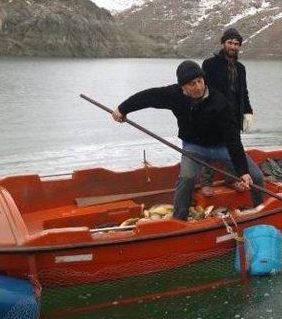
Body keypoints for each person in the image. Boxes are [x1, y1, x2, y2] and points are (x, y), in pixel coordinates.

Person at [112, 60, 264, 220]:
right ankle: (179, 219)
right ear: (182, 86)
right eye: (192, 84)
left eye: (200, 81)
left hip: (222, 147)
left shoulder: (220, 102)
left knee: (256, 176)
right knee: (187, 178)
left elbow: (233, 140)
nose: (198, 87)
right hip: (194, 147)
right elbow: (148, 97)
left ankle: (260, 209)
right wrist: (123, 109)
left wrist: (243, 172)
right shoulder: (174, 95)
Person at [199, 28, 254, 197]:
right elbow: (203, 90)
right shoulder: (209, 64)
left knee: (233, 147)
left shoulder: (241, 68)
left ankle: (231, 178)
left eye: (236, 44)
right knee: (208, 145)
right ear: (223, 43)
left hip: (233, 115)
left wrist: (248, 112)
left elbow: (243, 92)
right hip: (212, 114)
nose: (233, 46)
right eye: (230, 42)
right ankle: (206, 183)